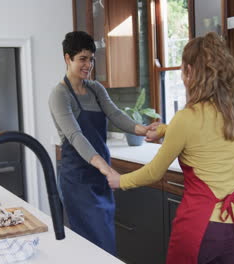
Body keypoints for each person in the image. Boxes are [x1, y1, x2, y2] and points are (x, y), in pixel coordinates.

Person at [106, 32, 234, 264]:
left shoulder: (187, 118)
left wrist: (120, 181)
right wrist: (164, 130)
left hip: (200, 228)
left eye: (182, 70)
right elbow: (206, 133)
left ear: (190, 71)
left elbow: (154, 173)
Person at [49, 31, 156, 256]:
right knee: (89, 245)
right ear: (67, 58)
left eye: (91, 59)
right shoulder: (60, 95)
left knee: (105, 240)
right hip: (78, 181)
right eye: (82, 59)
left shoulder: (96, 89)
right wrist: (104, 166)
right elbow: (76, 136)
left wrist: (142, 129)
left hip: (100, 179)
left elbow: (116, 115)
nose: (88, 65)